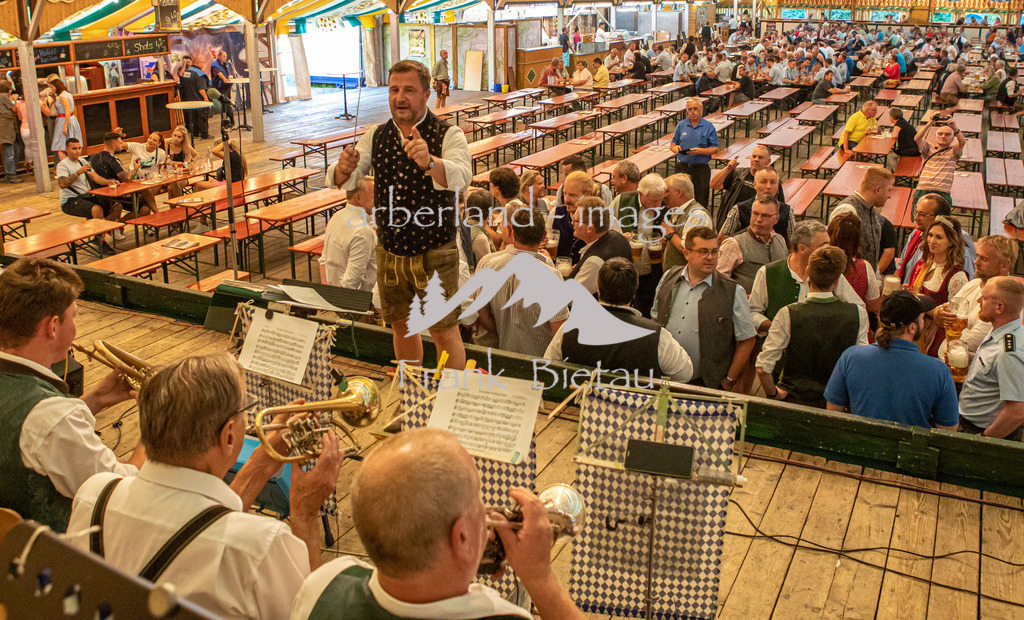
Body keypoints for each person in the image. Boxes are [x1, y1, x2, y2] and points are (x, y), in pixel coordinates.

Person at [67, 353, 342, 618]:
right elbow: (309, 614)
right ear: (229, 436)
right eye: (244, 412)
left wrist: (263, 462)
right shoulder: (260, 546)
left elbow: (203, 522)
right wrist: (304, 514)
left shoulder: (94, 495)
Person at [291, 427, 584, 620]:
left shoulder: (325, 583)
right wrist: (540, 577)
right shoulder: (506, 616)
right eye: (478, 500)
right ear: (462, 539)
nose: (486, 511)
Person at [329, 60, 472, 370]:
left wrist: (431, 163)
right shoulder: (375, 135)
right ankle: (410, 394)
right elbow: (346, 179)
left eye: (409, 90)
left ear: (426, 95)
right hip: (391, 250)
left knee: (443, 330)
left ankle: (453, 401)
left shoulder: (449, 134)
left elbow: (463, 176)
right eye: (394, 90)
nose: (400, 97)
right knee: (401, 326)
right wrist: (343, 168)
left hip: (435, 251)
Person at [0, 258, 145, 531]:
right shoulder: (52, 418)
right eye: (75, 315)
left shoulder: (48, 415)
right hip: (51, 561)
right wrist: (155, 427)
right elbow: (124, 494)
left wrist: (93, 401)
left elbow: (23, 425)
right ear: (52, 326)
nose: (77, 324)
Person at [824, 291, 959, 430]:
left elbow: (833, 409)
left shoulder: (851, 357)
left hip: (860, 446)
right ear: (912, 328)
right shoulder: (938, 371)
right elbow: (949, 429)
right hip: (911, 450)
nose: (923, 322)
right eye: (922, 318)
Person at [757, 245, 869, 407]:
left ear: (808, 272)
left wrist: (773, 394)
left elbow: (762, 368)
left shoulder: (787, 313)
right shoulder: (857, 313)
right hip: (835, 404)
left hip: (793, 400)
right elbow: (861, 365)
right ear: (837, 280)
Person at [652, 226, 757, 391]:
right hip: (664, 378)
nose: (711, 257)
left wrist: (729, 379)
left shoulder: (733, 291)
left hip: (705, 384)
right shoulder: (668, 277)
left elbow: (747, 339)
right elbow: (655, 321)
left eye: (715, 251)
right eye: (703, 251)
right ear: (687, 254)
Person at [474, 204, 569, 356]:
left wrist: (502, 329)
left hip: (504, 356)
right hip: (540, 363)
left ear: (511, 232)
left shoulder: (490, 266)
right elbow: (559, 332)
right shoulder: (550, 276)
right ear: (544, 235)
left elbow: (481, 313)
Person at [748, 220, 866, 337]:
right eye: (823, 245)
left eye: (829, 244)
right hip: (778, 348)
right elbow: (752, 312)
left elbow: (858, 309)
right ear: (802, 248)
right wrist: (777, 326)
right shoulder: (768, 272)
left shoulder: (830, 271)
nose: (829, 249)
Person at [957, 277, 1024, 440]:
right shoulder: (1003, 331)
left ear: (999, 307)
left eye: (984, 297)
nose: (979, 300)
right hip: (971, 425)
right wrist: (970, 358)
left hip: (984, 432)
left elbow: (1017, 412)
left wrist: (983, 439)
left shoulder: (1008, 352)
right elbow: (993, 368)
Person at [936, 235, 1018, 362]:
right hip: (946, 362)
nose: (976, 262)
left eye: (984, 259)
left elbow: (967, 344)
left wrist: (949, 325)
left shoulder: (1002, 300)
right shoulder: (973, 284)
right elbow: (945, 311)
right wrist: (940, 314)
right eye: (978, 256)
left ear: (1004, 265)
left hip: (964, 371)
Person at [907, 216, 968, 357]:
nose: (931, 241)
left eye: (939, 237)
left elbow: (953, 318)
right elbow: (912, 295)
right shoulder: (922, 264)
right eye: (930, 235)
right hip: (914, 328)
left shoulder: (957, 277)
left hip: (935, 338)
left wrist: (929, 309)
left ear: (951, 242)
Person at [896, 193, 975, 284]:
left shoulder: (961, 252)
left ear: (940, 217)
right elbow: (900, 268)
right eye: (916, 212)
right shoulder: (915, 235)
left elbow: (966, 288)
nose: (916, 218)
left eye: (922, 214)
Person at [320, 176, 377, 300]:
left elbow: (323, 260)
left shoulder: (337, 216)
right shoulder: (362, 231)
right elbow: (353, 279)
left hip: (335, 293)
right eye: (374, 196)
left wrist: (327, 295)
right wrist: (339, 302)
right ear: (358, 198)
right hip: (358, 301)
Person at [717, 195, 789, 294]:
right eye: (755, 214)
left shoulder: (780, 240)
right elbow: (718, 283)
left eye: (765, 216)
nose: (758, 219)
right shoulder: (733, 244)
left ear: (776, 219)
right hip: (744, 307)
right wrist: (743, 298)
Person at [829, 166, 893, 271]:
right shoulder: (848, 210)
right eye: (889, 190)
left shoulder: (871, 209)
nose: (889, 195)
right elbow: (838, 255)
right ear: (878, 189)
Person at [568, 196, 633, 295]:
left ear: (590, 228)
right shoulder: (618, 236)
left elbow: (570, 297)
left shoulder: (594, 262)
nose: (572, 223)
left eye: (576, 221)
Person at [717, 166, 791, 240]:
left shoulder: (787, 211)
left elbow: (792, 244)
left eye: (772, 182)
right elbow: (721, 238)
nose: (768, 186)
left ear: (778, 186)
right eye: (763, 182)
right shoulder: (739, 209)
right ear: (754, 184)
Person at [670, 97, 719, 209]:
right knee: (680, 197)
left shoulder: (708, 127)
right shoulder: (681, 125)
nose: (692, 112)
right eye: (689, 109)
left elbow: (715, 148)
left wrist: (701, 151)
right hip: (683, 168)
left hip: (701, 169)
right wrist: (675, 148)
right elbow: (672, 144)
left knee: (701, 199)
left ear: (701, 110)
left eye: (695, 109)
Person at [828, 212, 881, 314]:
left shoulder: (820, 264)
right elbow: (874, 306)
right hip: (856, 324)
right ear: (857, 240)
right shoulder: (864, 267)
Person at [660, 173, 713, 271]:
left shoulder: (698, 215)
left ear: (678, 192)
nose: (663, 196)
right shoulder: (677, 211)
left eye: (666, 191)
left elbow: (690, 248)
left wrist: (670, 233)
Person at [912, 115, 965, 206]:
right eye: (940, 134)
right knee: (917, 217)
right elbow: (917, 138)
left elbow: (962, 141)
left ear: (953, 138)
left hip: (942, 190)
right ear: (936, 137)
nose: (943, 136)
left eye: (947, 135)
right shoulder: (928, 148)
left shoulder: (954, 151)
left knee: (942, 219)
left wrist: (954, 127)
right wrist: (930, 122)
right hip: (923, 188)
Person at [122, 130, 168, 214]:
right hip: (137, 181)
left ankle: (156, 214)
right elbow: (121, 145)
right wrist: (118, 135)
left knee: (145, 205)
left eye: (154, 140)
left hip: (153, 181)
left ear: (159, 144)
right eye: (150, 138)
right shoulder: (138, 147)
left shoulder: (161, 153)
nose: (151, 141)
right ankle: (157, 213)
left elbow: (159, 168)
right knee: (144, 194)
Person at [177, 55, 210, 140]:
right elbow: (201, 88)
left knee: (194, 118)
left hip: (189, 100)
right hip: (199, 100)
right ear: (198, 63)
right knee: (203, 118)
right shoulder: (200, 74)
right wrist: (206, 98)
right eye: (202, 62)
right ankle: (204, 135)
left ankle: (195, 133)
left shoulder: (186, 72)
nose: (203, 64)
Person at [49, 78, 82, 161]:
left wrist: (64, 126)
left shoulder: (62, 96)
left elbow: (67, 110)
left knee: (60, 145)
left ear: (57, 87)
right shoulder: (66, 94)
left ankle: (66, 165)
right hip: (68, 119)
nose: (51, 89)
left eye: (52, 87)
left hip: (63, 120)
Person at [209, 49, 235, 129]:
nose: (225, 58)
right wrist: (224, 79)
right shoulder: (215, 64)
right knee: (225, 104)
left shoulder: (226, 64)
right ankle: (227, 122)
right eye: (224, 56)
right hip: (221, 88)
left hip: (227, 86)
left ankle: (228, 122)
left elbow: (228, 73)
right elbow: (219, 73)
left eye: (226, 56)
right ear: (219, 57)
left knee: (227, 104)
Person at [0, 84, 20, 184]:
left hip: (7, 125)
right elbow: (14, 109)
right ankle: (10, 175)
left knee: (15, 150)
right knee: (10, 151)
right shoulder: (3, 96)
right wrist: (15, 100)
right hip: (6, 125)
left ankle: (12, 173)